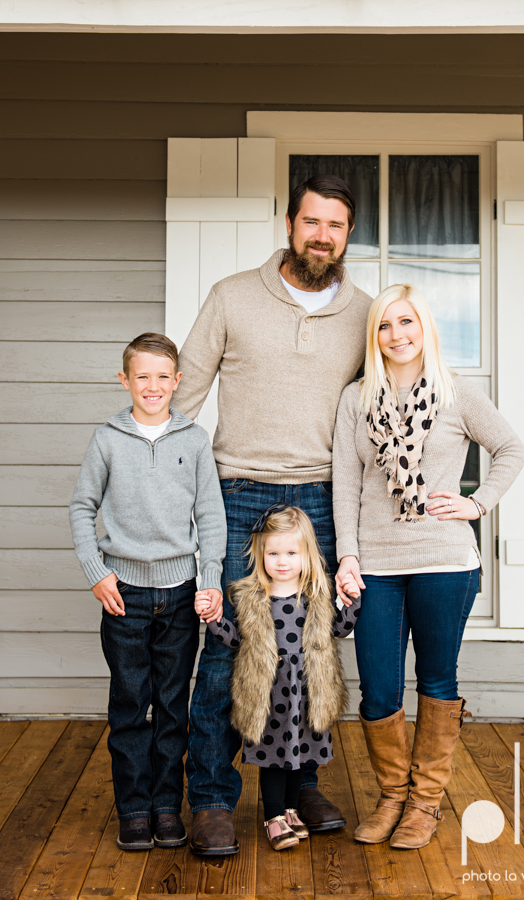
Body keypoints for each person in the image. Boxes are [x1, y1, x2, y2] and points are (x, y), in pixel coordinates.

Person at [175, 174, 372, 854]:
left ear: (347, 235)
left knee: (312, 654)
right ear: (290, 224)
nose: (321, 234)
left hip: (319, 495)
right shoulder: (231, 296)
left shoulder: (364, 313)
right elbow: (183, 399)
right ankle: (209, 800)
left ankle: (301, 784)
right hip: (238, 493)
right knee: (231, 653)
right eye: (311, 221)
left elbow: (380, 410)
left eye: (335, 226)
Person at [333, 285, 524, 850]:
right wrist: (348, 553)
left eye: (406, 322)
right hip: (376, 563)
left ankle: (424, 805)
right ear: (374, 337)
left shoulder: (457, 394)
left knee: (437, 681)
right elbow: (345, 482)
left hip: (445, 560)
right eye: (385, 326)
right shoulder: (355, 400)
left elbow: (511, 449)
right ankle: (392, 796)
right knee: (377, 690)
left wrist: (477, 502)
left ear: (425, 327)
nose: (397, 335)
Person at [69, 332, 226, 852]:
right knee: (131, 704)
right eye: (142, 376)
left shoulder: (195, 440)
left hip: (180, 593)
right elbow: (81, 508)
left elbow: (210, 515)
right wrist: (97, 570)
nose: (153, 386)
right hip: (124, 594)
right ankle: (134, 810)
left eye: (163, 377)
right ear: (125, 380)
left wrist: (209, 578)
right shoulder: (108, 438)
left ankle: (166, 807)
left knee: (172, 705)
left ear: (177, 382)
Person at [195, 505, 361, 851]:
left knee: (299, 752)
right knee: (273, 758)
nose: (281, 561)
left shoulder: (316, 596)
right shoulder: (254, 597)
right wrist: (213, 620)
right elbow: (237, 638)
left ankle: (290, 808)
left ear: (307, 555)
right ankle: (273, 816)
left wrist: (353, 604)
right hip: (270, 695)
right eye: (273, 553)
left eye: (290, 552)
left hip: (305, 694)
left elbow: (338, 630)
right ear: (261, 554)